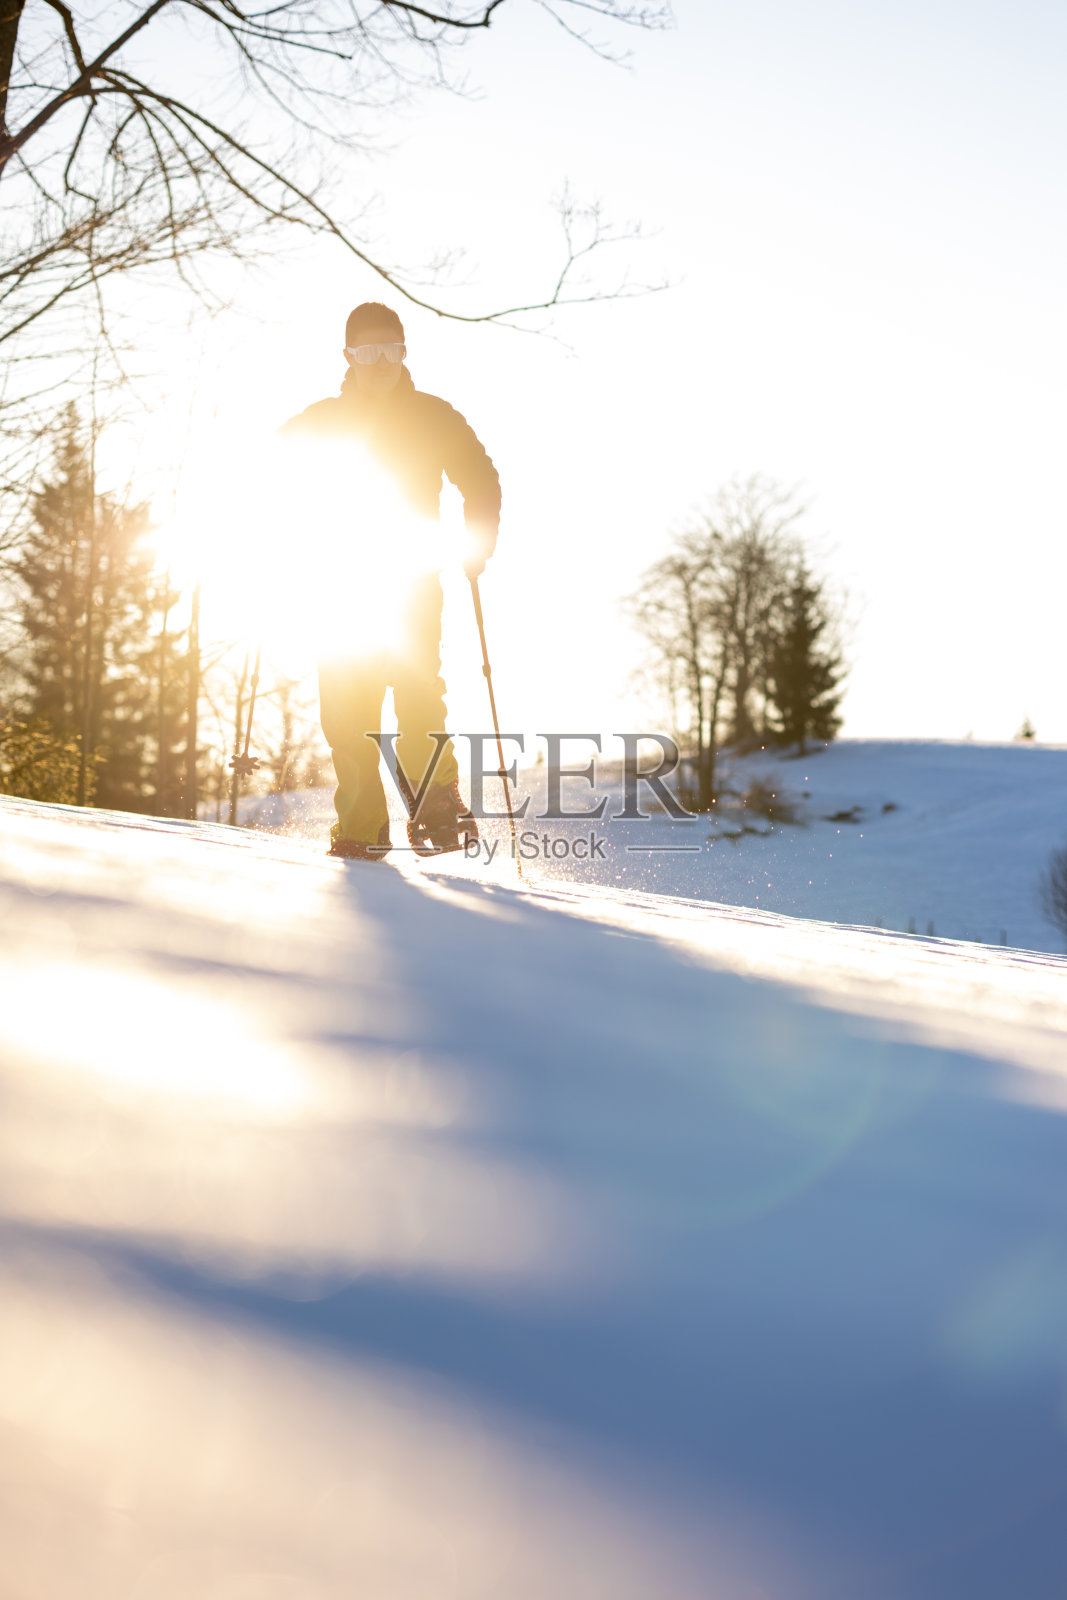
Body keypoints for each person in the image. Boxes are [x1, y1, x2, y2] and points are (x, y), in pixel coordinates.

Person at [282, 302, 501, 860]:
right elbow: (268, 467)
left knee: (417, 690)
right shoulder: (322, 419)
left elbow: (480, 478)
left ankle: (438, 808)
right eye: (366, 351)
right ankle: (361, 828)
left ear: (404, 352)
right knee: (346, 708)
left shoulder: (433, 415)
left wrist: (477, 539)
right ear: (348, 357)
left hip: (410, 579)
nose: (378, 361)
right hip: (341, 584)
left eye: (389, 349)